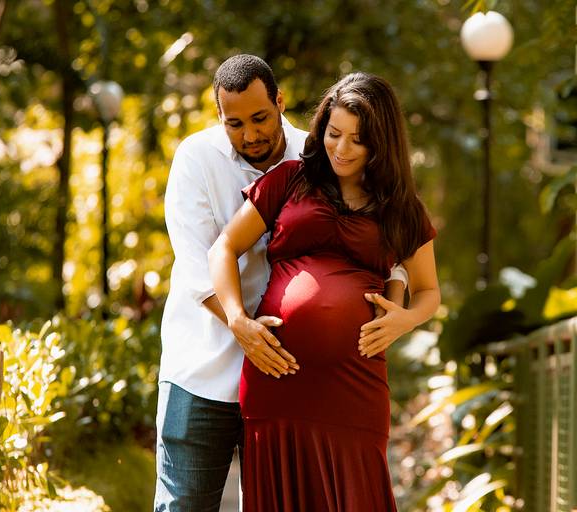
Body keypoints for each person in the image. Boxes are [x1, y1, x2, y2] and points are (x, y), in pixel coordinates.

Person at [155, 55, 407, 511]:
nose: (250, 134)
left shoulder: (319, 153)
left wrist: (395, 305)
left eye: (260, 118)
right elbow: (198, 266)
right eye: (234, 124)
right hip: (202, 371)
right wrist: (241, 325)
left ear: (280, 102)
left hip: (294, 383)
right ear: (218, 115)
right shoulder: (195, 158)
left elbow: (384, 235)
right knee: (183, 505)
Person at [208, 72, 441, 510]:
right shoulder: (289, 180)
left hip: (354, 389)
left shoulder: (401, 209)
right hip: (276, 382)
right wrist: (238, 319)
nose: (341, 148)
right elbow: (224, 248)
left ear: (381, 143)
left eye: (358, 139)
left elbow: (429, 290)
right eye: (334, 133)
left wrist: (406, 319)